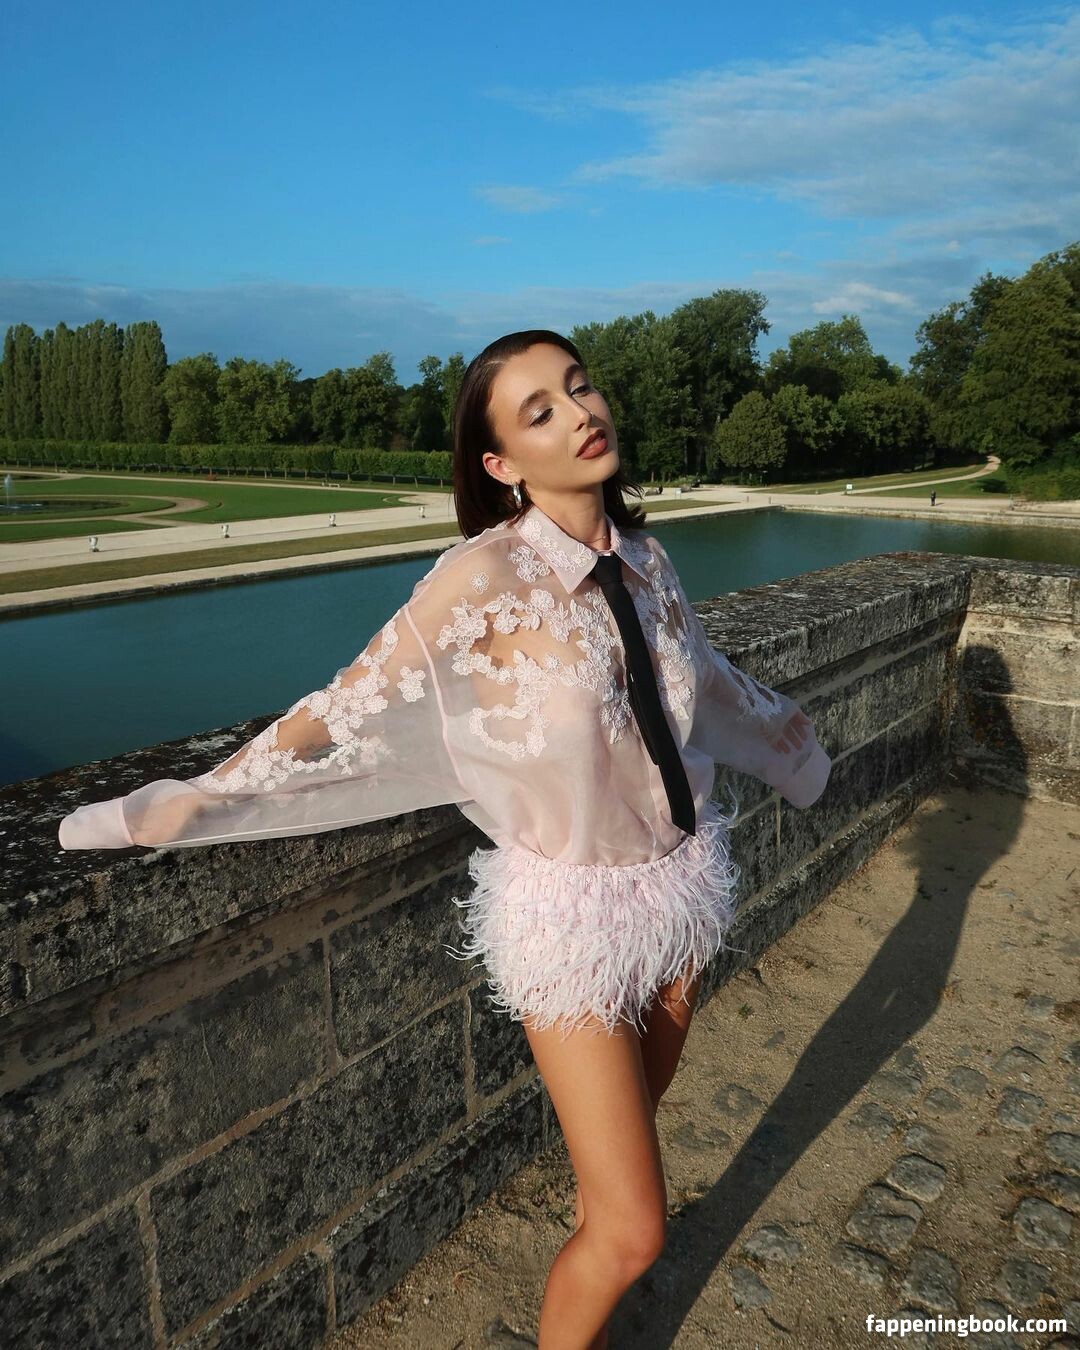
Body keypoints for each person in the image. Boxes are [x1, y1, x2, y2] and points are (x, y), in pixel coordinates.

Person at [57, 330, 830, 1347]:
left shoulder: (646, 559)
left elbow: (707, 682)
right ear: (501, 463)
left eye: (579, 387)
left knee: (624, 1163)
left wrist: (791, 746)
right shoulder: (483, 577)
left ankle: (589, 1272)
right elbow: (354, 701)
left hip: (681, 889)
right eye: (541, 411)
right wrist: (202, 798)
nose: (580, 414)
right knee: (635, 1232)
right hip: (570, 922)